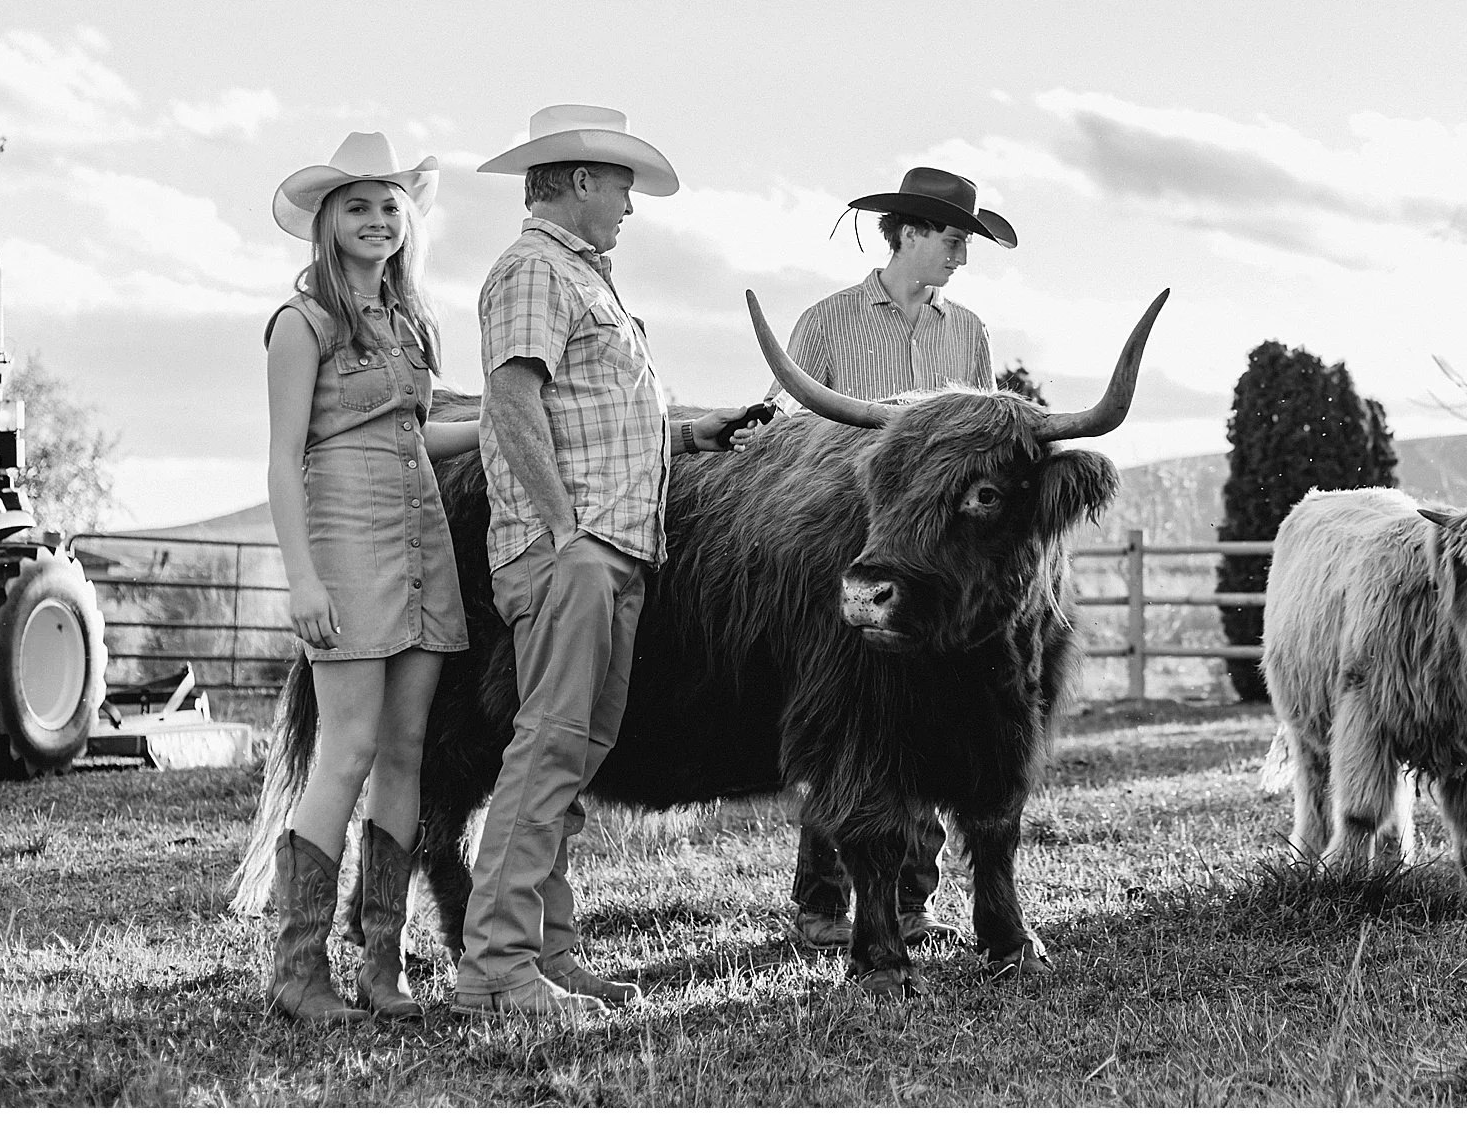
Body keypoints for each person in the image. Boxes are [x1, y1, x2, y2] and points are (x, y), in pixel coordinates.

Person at [454, 104, 744, 1021]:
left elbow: (596, 421)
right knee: (546, 753)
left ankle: (548, 949)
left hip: (615, 553)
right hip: (572, 556)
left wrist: (693, 432)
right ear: (579, 179)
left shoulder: (584, 280)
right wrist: (565, 534)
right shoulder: (533, 270)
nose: (630, 203)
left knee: (572, 758)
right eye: (621, 183)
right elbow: (511, 402)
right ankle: (495, 968)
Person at [764, 165, 1016, 951]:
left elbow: (988, 448)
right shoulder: (829, 321)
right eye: (952, 239)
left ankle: (914, 899)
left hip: (935, 567)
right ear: (906, 232)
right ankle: (819, 899)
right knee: (842, 725)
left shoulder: (965, 331)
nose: (961, 257)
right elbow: (780, 428)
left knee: (931, 723)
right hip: (848, 547)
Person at [260, 132, 476, 1023]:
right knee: (345, 749)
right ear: (326, 222)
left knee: (405, 752)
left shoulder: (410, 321)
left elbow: (418, 434)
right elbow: (281, 459)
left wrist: (501, 425)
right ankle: (299, 971)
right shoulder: (300, 323)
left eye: (391, 204)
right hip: (343, 536)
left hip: (423, 531)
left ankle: (383, 965)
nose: (378, 220)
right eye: (358, 205)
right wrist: (301, 578)